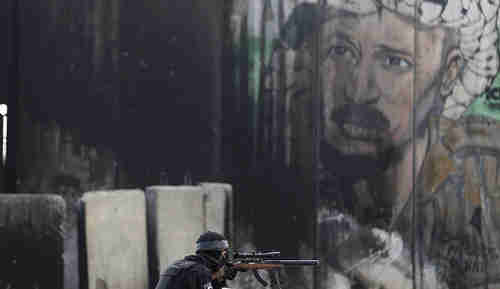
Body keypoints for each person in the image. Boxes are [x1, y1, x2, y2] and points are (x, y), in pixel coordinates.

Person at [279, 0, 500, 288]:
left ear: (449, 74)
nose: (359, 90)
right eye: (341, 51)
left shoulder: (487, 186)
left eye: (394, 62)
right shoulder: (288, 174)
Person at [154, 231, 237, 289]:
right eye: (223, 252)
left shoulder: (177, 265)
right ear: (216, 252)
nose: (224, 256)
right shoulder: (201, 272)